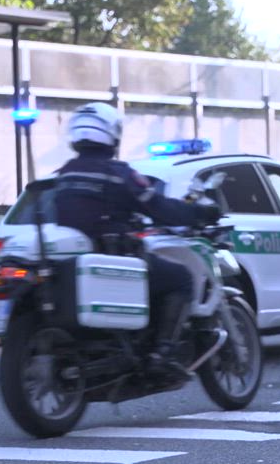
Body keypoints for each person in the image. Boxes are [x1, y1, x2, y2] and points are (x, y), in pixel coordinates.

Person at [53, 102, 222, 377]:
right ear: (112, 135)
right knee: (180, 278)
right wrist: (200, 213)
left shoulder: (64, 175)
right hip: (117, 259)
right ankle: (162, 353)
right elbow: (159, 207)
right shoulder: (119, 174)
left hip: (76, 264)